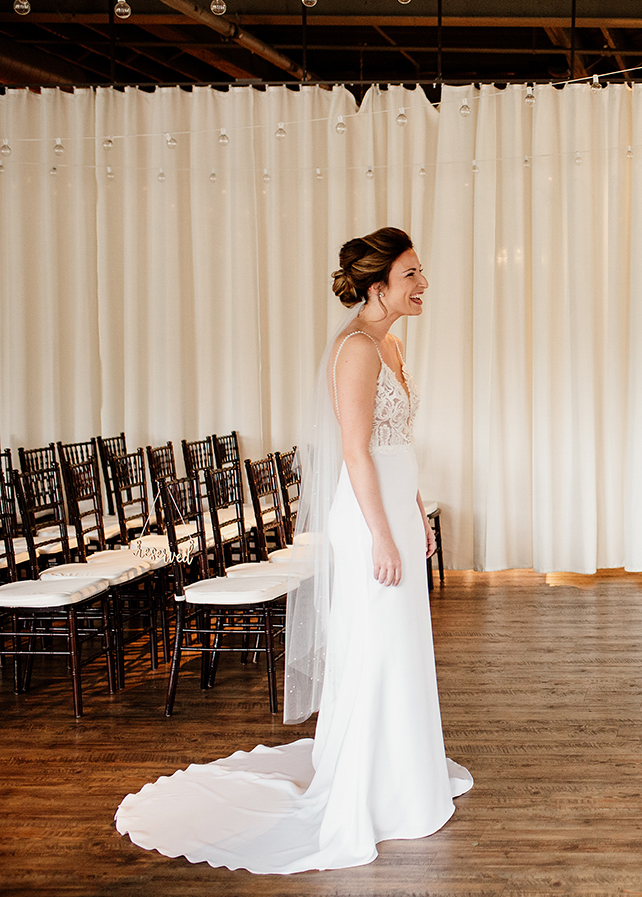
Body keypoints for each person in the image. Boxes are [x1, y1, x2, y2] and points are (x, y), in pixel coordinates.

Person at [115, 227, 473, 874]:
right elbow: (356, 452)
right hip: (366, 518)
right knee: (376, 646)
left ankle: (405, 774)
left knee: (405, 645)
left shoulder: (392, 341)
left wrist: (415, 511)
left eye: (421, 272)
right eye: (412, 274)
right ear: (377, 287)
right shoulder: (356, 351)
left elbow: (397, 445)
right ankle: (370, 787)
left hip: (393, 505)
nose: (424, 284)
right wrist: (383, 534)